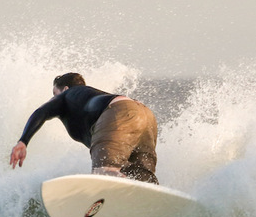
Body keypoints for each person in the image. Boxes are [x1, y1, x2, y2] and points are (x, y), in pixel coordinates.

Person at [9, 72, 159, 184]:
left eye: (54, 94)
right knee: (142, 178)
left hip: (120, 113)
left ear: (65, 88)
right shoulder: (87, 98)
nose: (53, 99)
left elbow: (41, 112)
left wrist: (23, 141)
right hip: (146, 115)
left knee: (104, 173)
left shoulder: (66, 95)